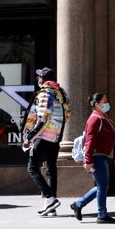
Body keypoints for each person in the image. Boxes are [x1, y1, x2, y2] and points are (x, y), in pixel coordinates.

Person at [21, 67, 71, 217]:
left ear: (43, 79)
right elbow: (67, 116)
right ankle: (51, 207)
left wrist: (29, 137)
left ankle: (50, 198)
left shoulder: (44, 94)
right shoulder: (61, 93)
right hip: (56, 136)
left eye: (39, 77)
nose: (38, 80)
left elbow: (42, 119)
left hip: (44, 136)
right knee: (50, 170)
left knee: (32, 168)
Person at [70, 93, 115, 224]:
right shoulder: (95, 119)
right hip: (96, 157)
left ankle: (79, 204)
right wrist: (88, 161)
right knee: (103, 186)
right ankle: (101, 214)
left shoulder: (103, 117)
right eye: (105, 101)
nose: (107, 104)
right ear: (97, 104)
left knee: (101, 185)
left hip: (102, 156)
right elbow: (90, 141)